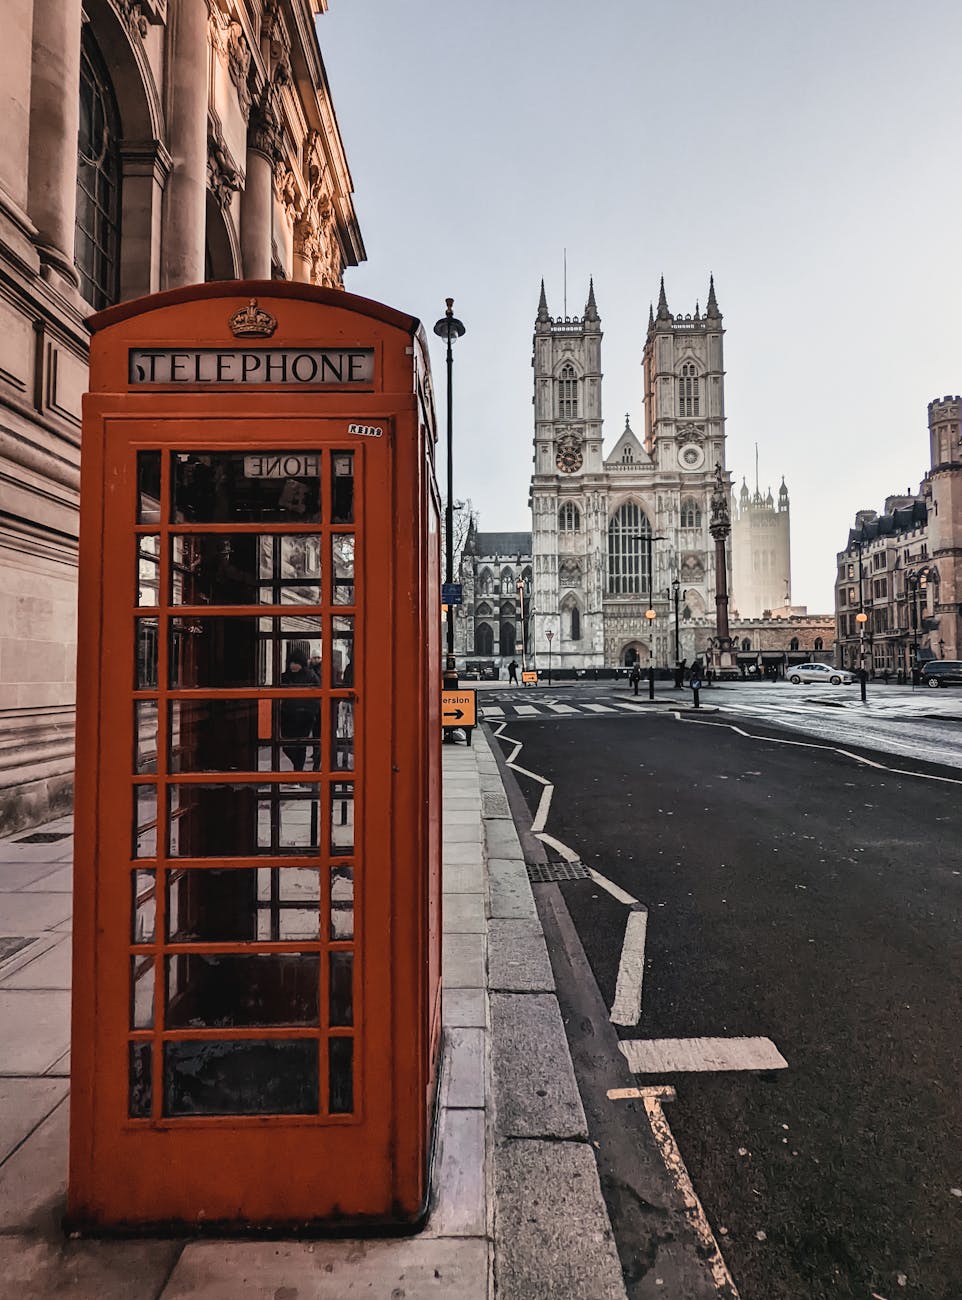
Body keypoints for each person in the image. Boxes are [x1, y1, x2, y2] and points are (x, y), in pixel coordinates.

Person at [280, 643, 320, 772]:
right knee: (286, 745)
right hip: (288, 715)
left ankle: (298, 772)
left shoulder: (311, 676)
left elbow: (318, 696)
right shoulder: (284, 676)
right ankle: (297, 771)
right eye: (291, 662)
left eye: (296, 663)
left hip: (305, 717)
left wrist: (311, 712)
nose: (293, 665)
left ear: (302, 663)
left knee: (300, 745)